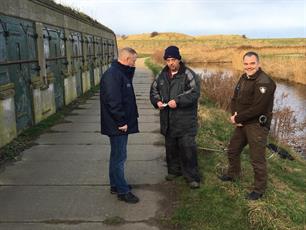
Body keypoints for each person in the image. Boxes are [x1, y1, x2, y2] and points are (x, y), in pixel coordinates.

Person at [219, 51, 276, 200]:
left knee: (257, 159)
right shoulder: (244, 77)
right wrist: (235, 116)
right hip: (242, 123)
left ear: (258, 64)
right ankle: (233, 174)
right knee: (232, 150)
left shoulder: (265, 82)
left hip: (256, 126)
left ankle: (259, 190)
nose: (249, 66)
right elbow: (234, 98)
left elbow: (258, 108)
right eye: (246, 63)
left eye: (252, 63)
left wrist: (238, 117)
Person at [150, 46, 201, 189]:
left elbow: (194, 93)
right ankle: (174, 171)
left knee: (188, 149)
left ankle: (192, 177)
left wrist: (177, 101)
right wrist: (157, 101)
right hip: (168, 119)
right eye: (168, 60)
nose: (171, 63)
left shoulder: (189, 74)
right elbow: (154, 91)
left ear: (179, 59)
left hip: (185, 121)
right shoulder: (161, 74)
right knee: (170, 147)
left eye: (173, 60)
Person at [100, 47, 139, 204]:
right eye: (134, 60)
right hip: (117, 124)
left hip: (118, 123)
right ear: (127, 59)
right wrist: (121, 122)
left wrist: (130, 70)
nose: (135, 63)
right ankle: (123, 191)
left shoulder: (120, 73)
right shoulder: (113, 75)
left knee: (116, 155)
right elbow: (113, 101)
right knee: (120, 157)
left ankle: (115, 185)